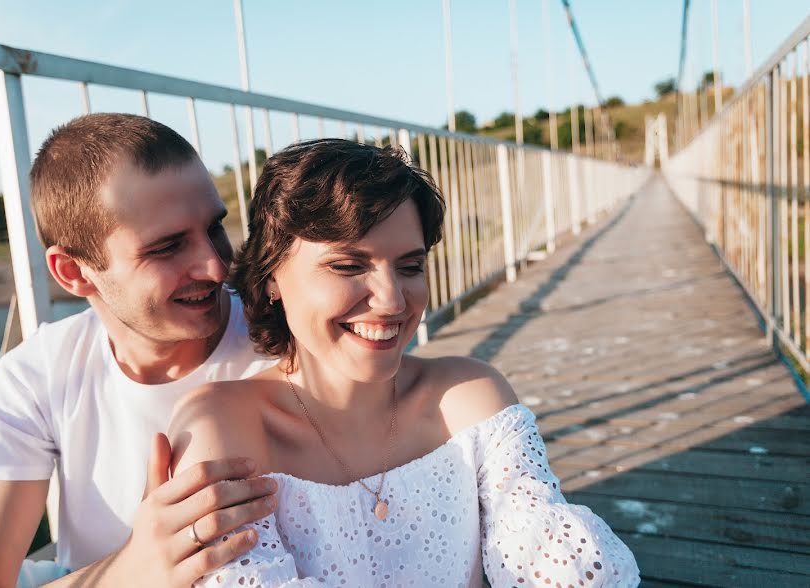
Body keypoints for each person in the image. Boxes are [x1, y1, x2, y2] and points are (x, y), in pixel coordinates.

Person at [169, 139, 640, 586]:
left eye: (410, 266)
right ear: (272, 276)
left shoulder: (471, 397)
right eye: (348, 266)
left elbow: (546, 560)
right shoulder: (220, 425)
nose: (392, 300)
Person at [0, 113, 280, 587]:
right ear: (73, 272)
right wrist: (137, 565)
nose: (215, 266)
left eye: (215, 227)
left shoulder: (280, 341)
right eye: (168, 246)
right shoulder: (37, 373)